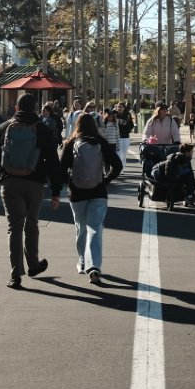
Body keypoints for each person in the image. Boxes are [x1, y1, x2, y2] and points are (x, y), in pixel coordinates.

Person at [0, 93, 64, 289]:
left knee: (14, 228)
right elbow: (53, 161)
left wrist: (1, 178)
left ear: (16, 108)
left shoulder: (5, 127)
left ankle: (15, 275)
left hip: (10, 182)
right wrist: (56, 190)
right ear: (35, 108)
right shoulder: (42, 129)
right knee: (31, 224)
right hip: (35, 183)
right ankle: (34, 264)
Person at [60, 113, 122, 284]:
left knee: (81, 228)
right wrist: (106, 180)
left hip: (77, 193)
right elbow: (117, 165)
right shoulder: (100, 142)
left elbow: (61, 169)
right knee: (95, 229)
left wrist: (69, 182)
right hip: (98, 191)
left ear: (77, 125)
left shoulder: (71, 143)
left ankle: (82, 262)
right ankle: (94, 266)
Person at [151, 142, 195, 207]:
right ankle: (189, 196)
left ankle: (190, 195)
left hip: (173, 172)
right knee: (158, 175)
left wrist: (192, 190)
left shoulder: (187, 159)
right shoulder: (174, 159)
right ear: (187, 152)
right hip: (158, 170)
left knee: (189, 174)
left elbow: (190, 173)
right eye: (191, 151)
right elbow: (168, 173)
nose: (192, 153)